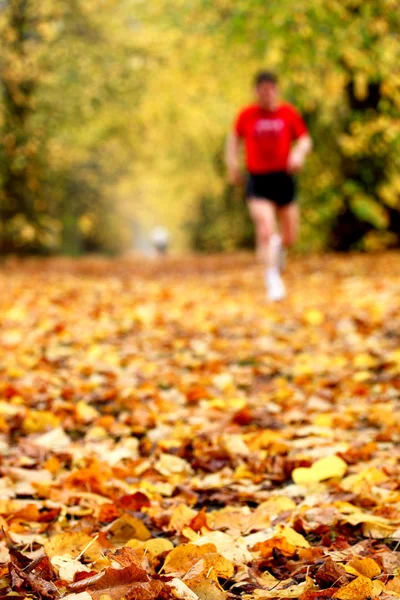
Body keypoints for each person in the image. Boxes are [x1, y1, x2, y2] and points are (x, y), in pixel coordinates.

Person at [226, 71, 312, 301]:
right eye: (262, 89)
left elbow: (305, 140)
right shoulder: (247, 115)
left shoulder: (288, 113)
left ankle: (278, 256)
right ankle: (272, 279)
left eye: (270, 89)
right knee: (266, 228)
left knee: (290, 236)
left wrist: (298, 154)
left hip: (283, 178)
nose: (266, 94)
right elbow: (233, 140)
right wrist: (232, 165)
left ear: (276, 90)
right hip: (258, 179)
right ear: (255, 91)